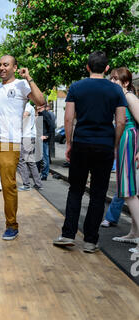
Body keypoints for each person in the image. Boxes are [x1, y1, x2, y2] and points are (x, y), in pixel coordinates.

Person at [53, 51, 127, 253]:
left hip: (81, 144)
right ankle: (90, 241)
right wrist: (114, 144)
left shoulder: (77, 87)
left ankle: (68, 234)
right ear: (106, 68)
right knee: (98, 194)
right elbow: (121, 121)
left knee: (75, 190)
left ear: (87, 67)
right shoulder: (116, 90)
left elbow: (68, 119)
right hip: (104, 145)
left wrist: (69, 143)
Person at [0, 55, 45, 240]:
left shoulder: (21, 84)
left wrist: (29, 77)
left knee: (8, 186)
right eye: (0, 64)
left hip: (10, 144)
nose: (2, 68)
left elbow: (41, 101)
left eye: (6, 65)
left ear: (14, 67)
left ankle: (12, 225)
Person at [108, 68, 139, 253]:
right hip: (124, 140)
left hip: (127, 139)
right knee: (127, 188)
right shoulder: (122, 97)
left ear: (125, 82)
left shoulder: (129, 97)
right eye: (110, 78)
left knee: (128, 190)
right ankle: (134, 233)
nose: (112, 82)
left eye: (115, 79)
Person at [17, 101, 43, 191]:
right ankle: (38, 184)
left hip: (26, 137)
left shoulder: (27, 106)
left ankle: (26, 184)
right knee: (31, 162)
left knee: (21, 161)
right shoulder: (27, 106)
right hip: (28, 136)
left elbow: (25, 115)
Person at [36, 102, 54, 180]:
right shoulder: (40, 114)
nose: (36, 106)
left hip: (43, 139)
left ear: (41, 106)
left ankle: (44, 175)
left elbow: (51, 126)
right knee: (40, 157)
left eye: (37, 104)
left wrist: (46, 136)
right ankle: (39, 173)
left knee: (45, 157)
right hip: (39, 138)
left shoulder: (45, 114)